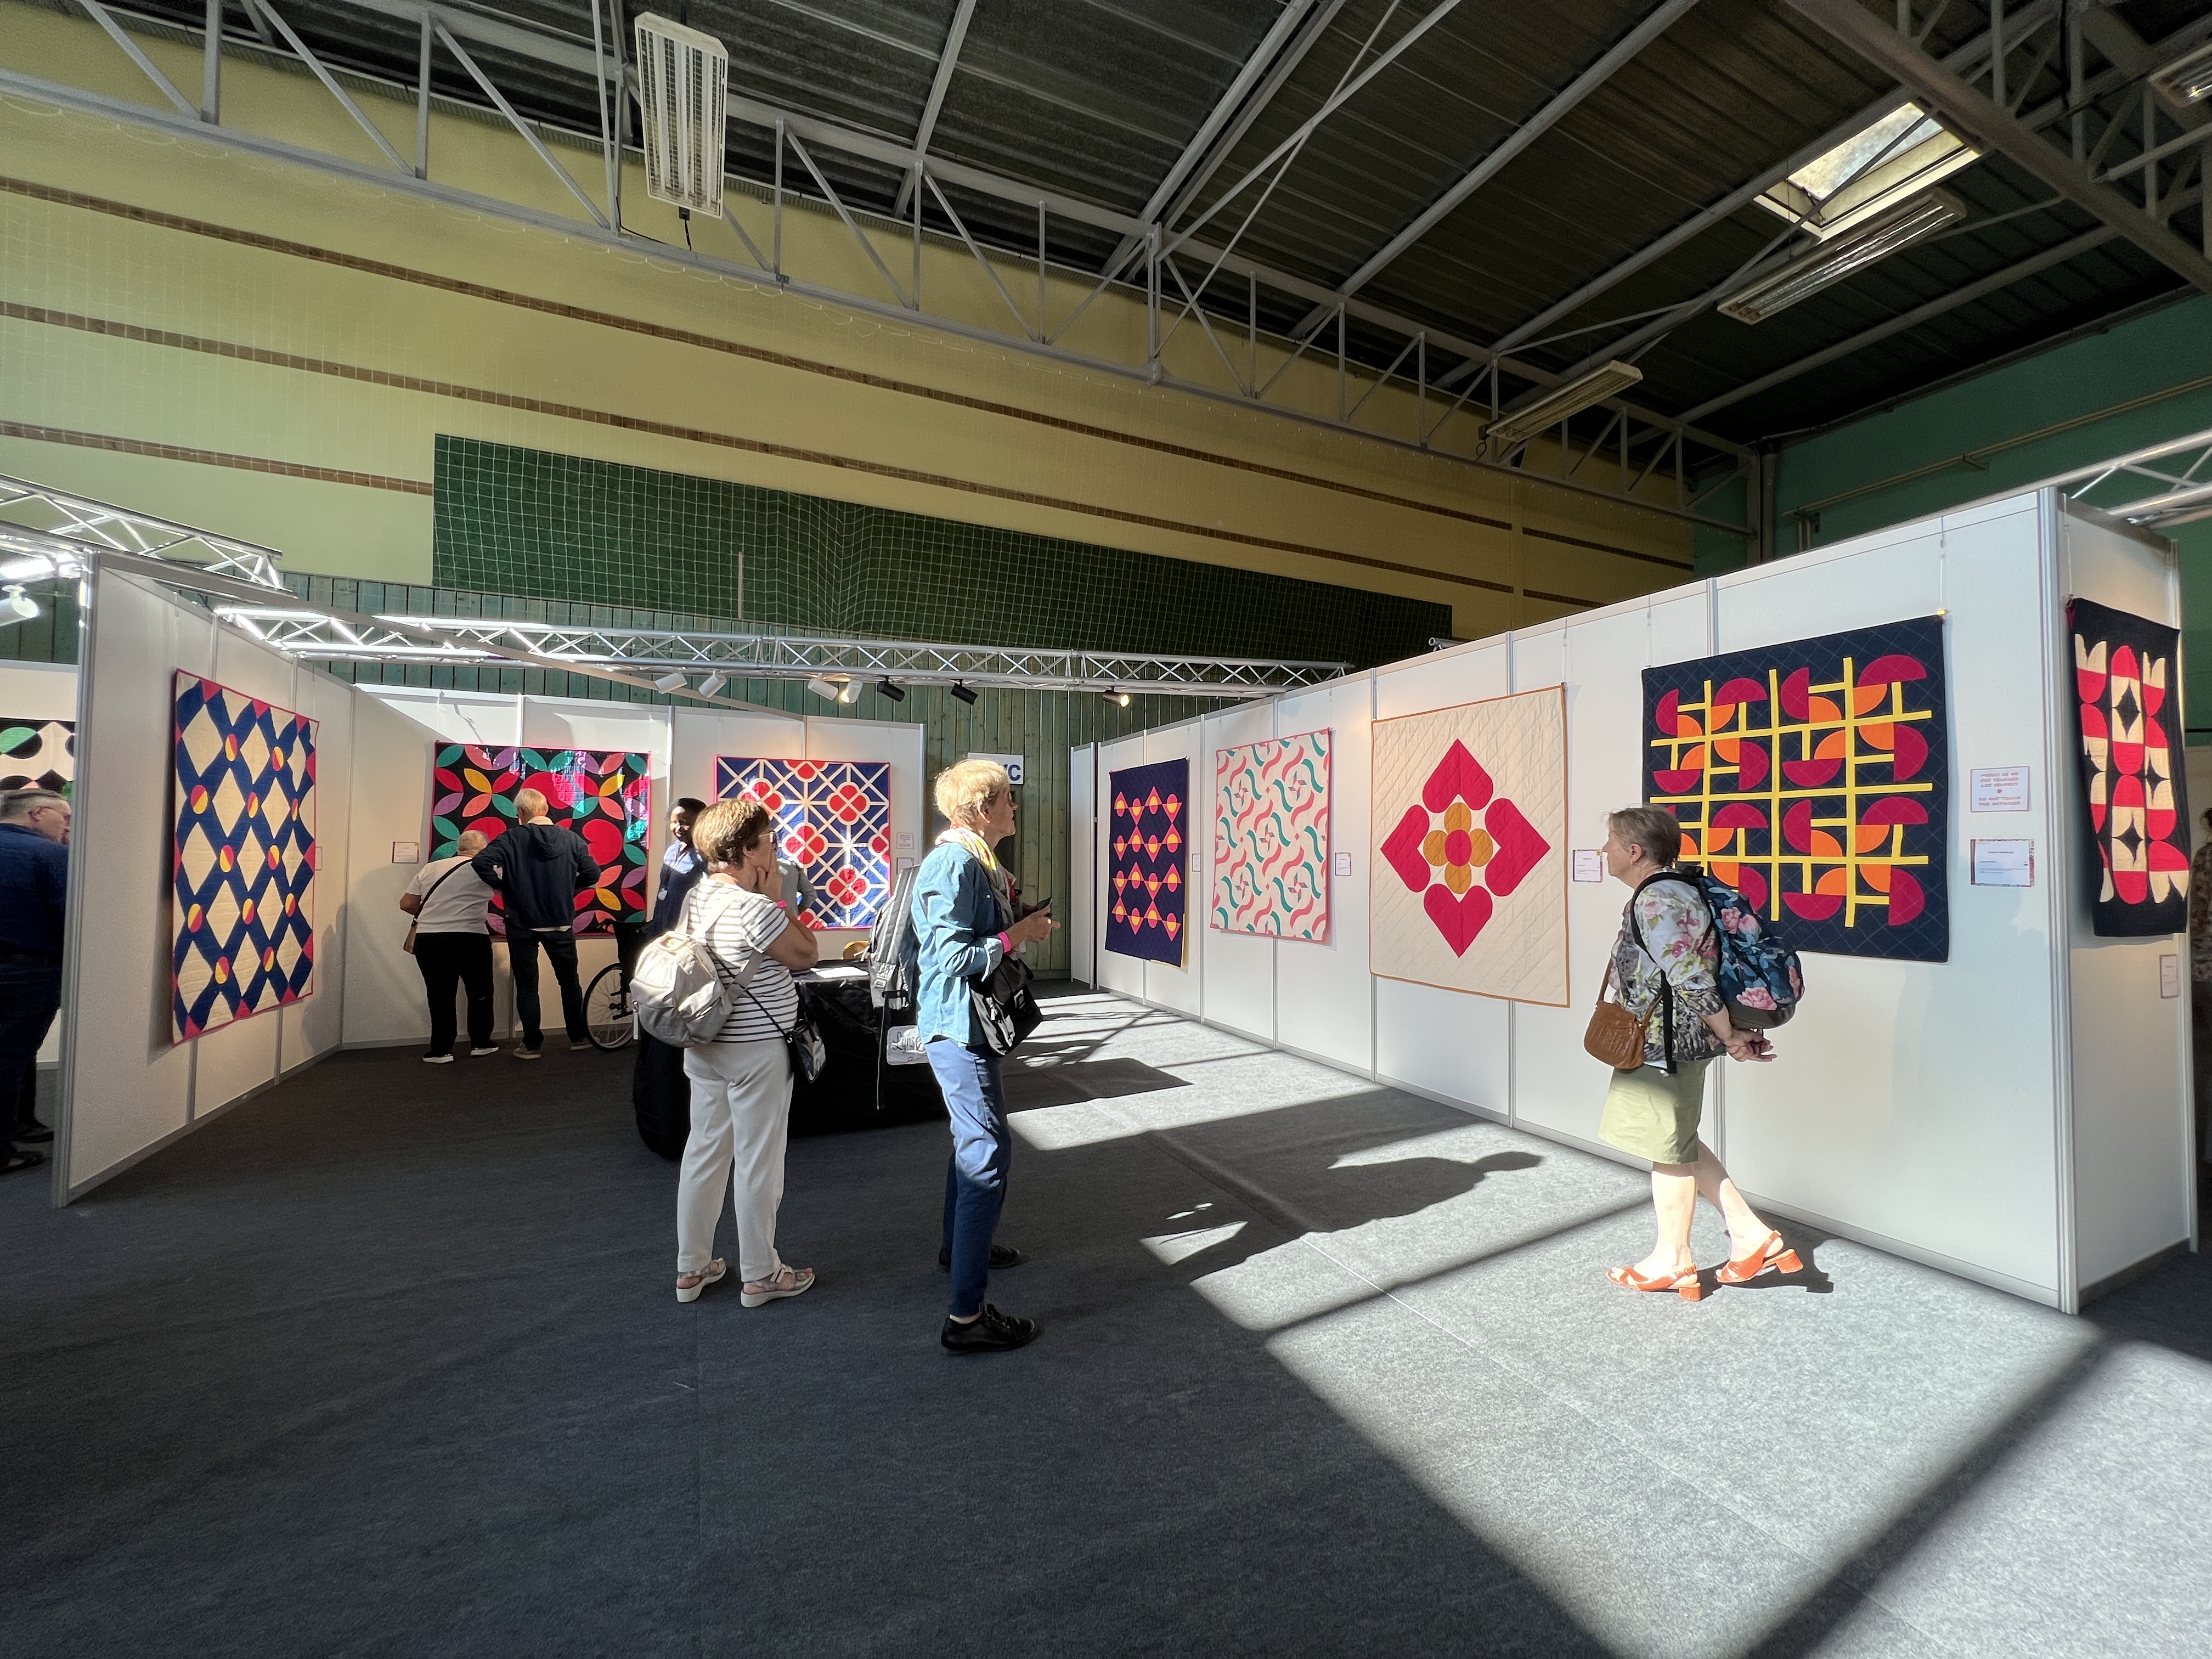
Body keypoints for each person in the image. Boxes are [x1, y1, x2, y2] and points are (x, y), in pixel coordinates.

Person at [1597, 805, 1793, 1300]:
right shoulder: (1685, 887)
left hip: (1665, 1044)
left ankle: (1674, 1260)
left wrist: (1730, 1035)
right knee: (1678, 1138)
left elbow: (1689, 976)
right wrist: (1727, 1032)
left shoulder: (1655, 898)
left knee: (1667, 1148)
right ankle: (1751, 1236)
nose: (1604, 851)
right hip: (1680, 1038)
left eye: (1611, 842)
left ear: (1634, 851)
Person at [911, 759, 1058, 1353]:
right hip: (957, 1027)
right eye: (1006, 800)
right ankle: (966, 1319)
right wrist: (1018, 935)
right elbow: (952, 958)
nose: (1014, 808)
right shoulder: (954, 863)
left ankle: (960, 1247)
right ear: (979, 810)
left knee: (976, 1145)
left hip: (965, 1025)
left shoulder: (975, 862)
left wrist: (1017, 924)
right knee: (986, 1155)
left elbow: (970, 937)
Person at [674, 798, 819, 1306]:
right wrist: (780, 899)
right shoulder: (754, 907)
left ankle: (692, 1267)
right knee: (759, 1160)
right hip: (756, 1050)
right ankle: (761, 1274)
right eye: (770, 841)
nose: (775, 850)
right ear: (749, 851)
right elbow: (806, 953)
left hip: (704, 1044)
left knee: (704, 1152)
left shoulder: (697, 897)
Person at [470, 789, 599, 1059]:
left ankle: (531, 1045)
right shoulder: (571, 839)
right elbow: (592, 874)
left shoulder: (512, 838)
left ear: (521, 812)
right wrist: (568, 888)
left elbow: (481, 861)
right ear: (545, 809)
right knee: (569, 982)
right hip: (560, 923)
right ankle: (578, 1038)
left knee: (527, 985)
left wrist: (504, 887)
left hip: (522, 923)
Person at [633, 797, 708, 1159]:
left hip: (687, 948)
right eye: (675, 821)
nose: (680, 828)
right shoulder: (672, 852)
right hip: (662, 939)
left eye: (687, 822)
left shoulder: (706, 859)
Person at [0, 788, 69, 1175]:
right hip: (26, 973)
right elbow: (72, 918)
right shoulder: (49, 855)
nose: (68, 827)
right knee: (10, 1060)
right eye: (65, 818)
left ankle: (19, 1125)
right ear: (38, 813)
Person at [401, 829, 498, 1063]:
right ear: (484, 850)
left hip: (430, 939)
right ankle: (481, 1043)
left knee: (439, 994)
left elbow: (406, 903)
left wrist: (438, 913)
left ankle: (441, 1050)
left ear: (459, 847)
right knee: (480, 992)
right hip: (471, 937)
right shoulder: (485, 870)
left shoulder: (431, 868)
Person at [2188, 807, 2212, 1188]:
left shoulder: (2206, 857)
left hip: (2204, 973)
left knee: (2201, 1071)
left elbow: (2197, 914)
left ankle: (2198, 1164)